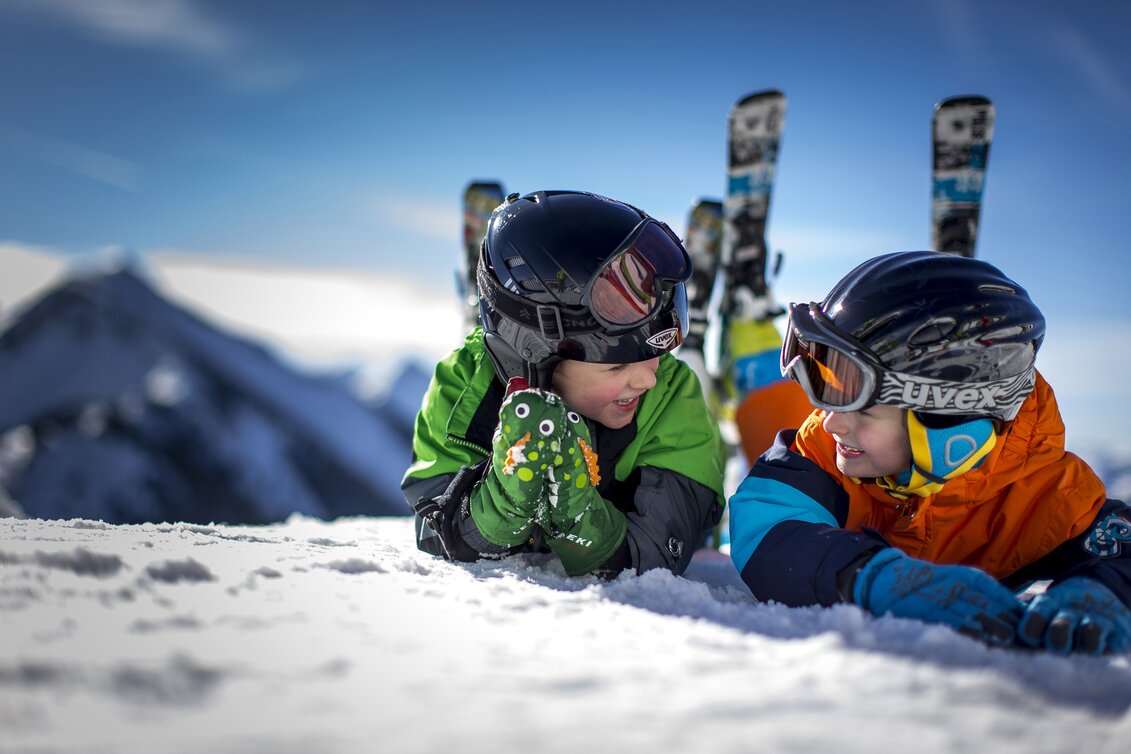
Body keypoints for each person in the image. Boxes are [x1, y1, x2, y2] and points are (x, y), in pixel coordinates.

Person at [728, 250, 1131, 655]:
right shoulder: (826, 448)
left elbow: (1120, 547)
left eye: (864, 410)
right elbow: (766, 523)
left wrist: (1102, 589)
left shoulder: (1046, 495)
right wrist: (867, 575)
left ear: (952, 429)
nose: (832, 422)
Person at [404, 190, 725, 578]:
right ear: (536, 354)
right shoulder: (462, 387)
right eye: (617, 365)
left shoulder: (672, 394)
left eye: (655, 354)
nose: (648, 377)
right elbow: (435, 527)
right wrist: (501, 505)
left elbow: (656, 551)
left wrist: (580, 515)